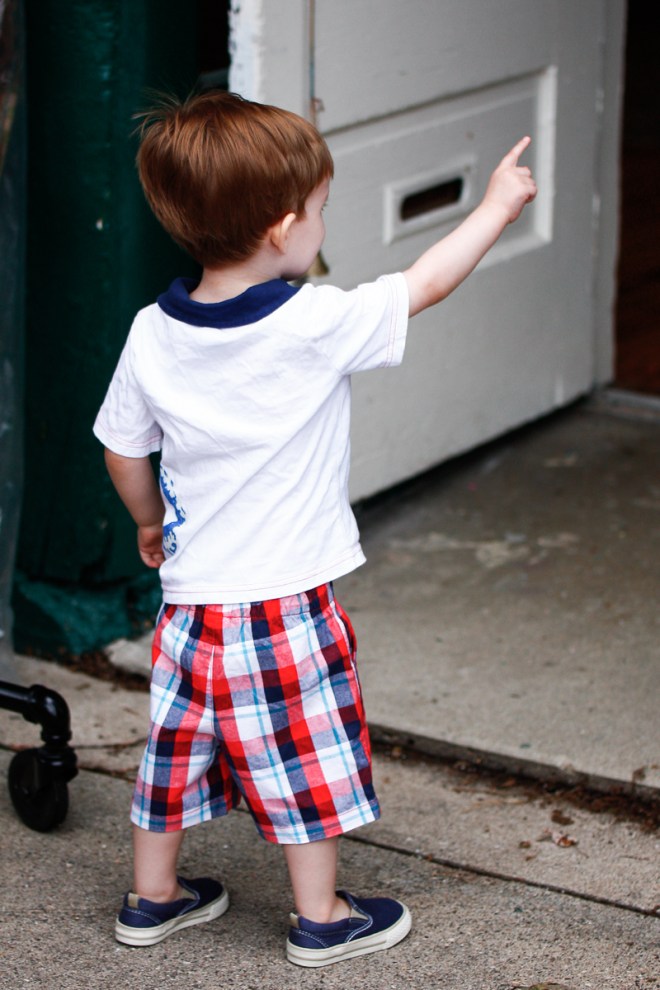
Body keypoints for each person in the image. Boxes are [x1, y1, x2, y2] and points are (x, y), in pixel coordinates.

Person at [93, 89, 536, 967]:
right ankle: (322, 918)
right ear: (283, 225)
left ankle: (152, 900)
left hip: (190, 607)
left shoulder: (152, 332)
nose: (322, 226)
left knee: (175, 752)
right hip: (285, 608)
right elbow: (429, 283)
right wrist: (496, 204)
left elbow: (120, 447)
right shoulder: (312, 322)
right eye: (323, 211)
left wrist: (150, 522)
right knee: (306, 760)